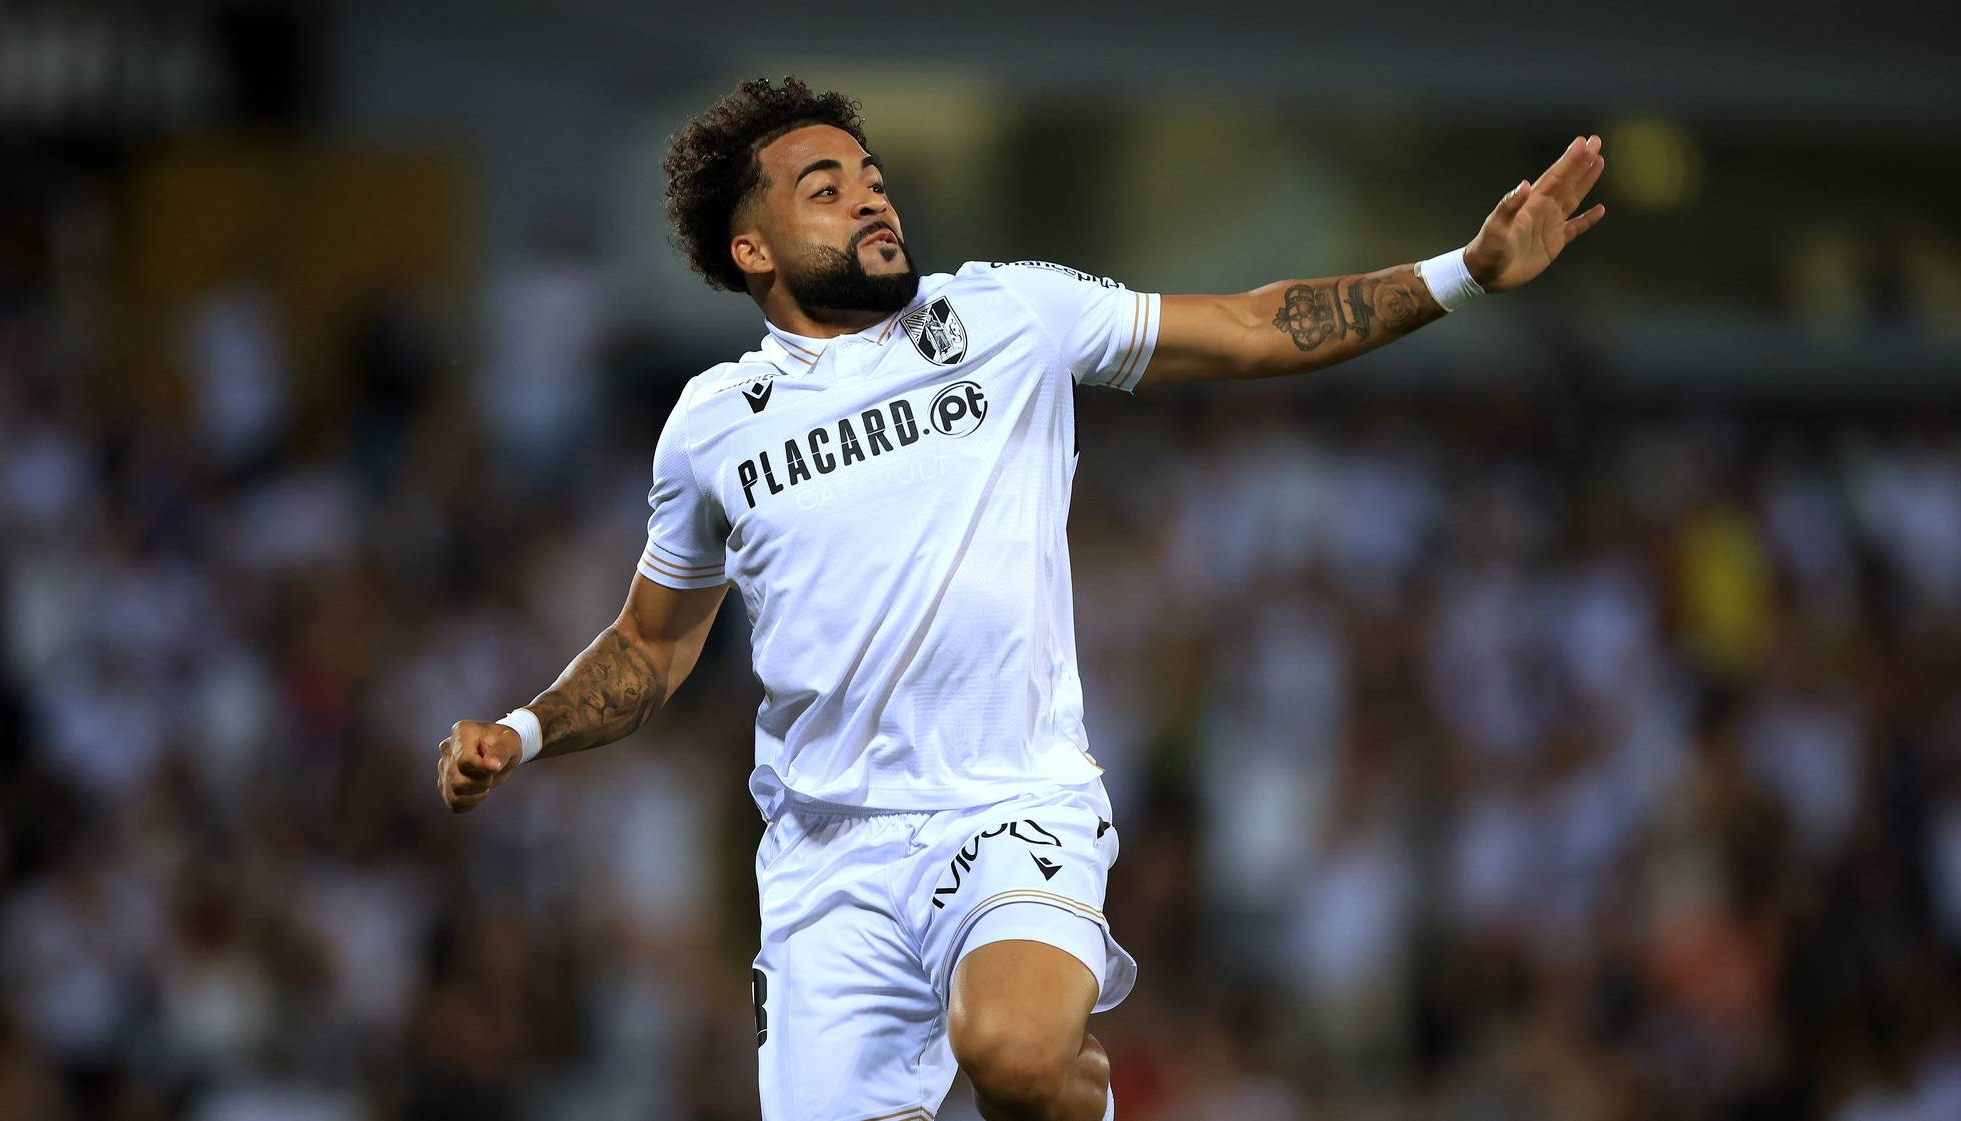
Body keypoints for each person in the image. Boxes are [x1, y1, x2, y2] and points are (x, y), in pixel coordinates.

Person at [435, 76, 1606, 1121]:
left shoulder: (1005, 315)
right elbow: (652, 645)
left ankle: (1068, 1086)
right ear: (751, 248)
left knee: (1010, 1050)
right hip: (824, 858)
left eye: (873, 178)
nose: (871, 200)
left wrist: (1461, 274)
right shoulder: (708, 426)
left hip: (1008, 804)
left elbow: (1251, 329)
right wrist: (527, 729)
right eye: (825, 185)